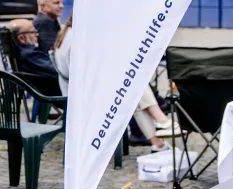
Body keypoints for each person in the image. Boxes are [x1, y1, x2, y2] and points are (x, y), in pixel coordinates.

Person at [55, 15, 174, 152]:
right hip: (83, 96)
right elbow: (87, 72)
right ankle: (161, 121)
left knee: (134, 91)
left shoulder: (70, 34)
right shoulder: (78, 39)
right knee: (134, 84)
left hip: (82, 91)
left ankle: (158, 142)